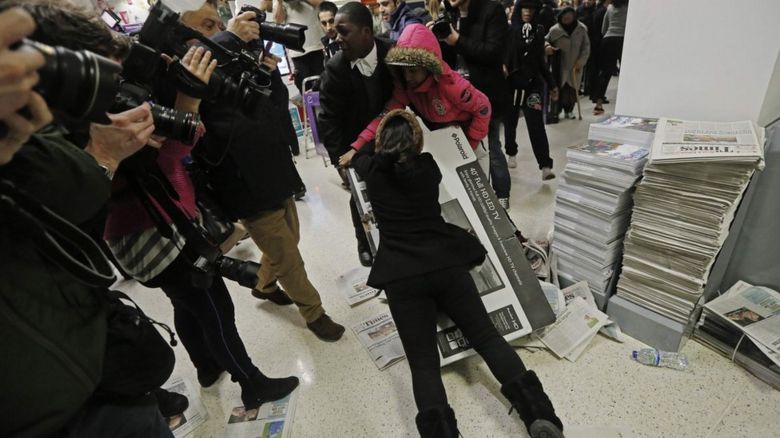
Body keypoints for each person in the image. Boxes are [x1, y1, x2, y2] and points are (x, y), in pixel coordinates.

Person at [0, 4, 176, 435]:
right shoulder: (36, 145)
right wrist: (102, 156)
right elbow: (75, 204)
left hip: (85, 362)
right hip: (50, 403)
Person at [352, 109, 564, 438]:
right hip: (445, 262)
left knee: (423, 364)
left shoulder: (372, 171)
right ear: (417, 144)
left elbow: (359, 156)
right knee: (488, 338)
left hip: (402, 274)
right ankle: (538, 413)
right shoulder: (428, 167)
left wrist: (375, 140)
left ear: (382, 145)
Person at [181, 0, 346, 342]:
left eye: (218, 24)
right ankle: (314, 313)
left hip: (274, 166)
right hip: (242, 179)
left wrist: (266, 74)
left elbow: (272, 108)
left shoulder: (233, 59)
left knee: (289, 238)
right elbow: (201, 121)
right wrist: (229, 38)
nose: (218, 31)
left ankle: (264, 284)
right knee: (288, 254)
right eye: (208, 27)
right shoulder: (185, 76)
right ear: (184, 35)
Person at [318, 1, 394, 267]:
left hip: (391, 137)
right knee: (360, 196)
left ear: (366, 32)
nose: (337, 38)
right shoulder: (335, 68)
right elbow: (328, 118)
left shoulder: (392, 52)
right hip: (356, 145)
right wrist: (339, 161)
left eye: (344, 31)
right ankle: (364, 242)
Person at [347, 24, 491, 154]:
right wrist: (358, 145)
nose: (407, 77)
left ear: (428, 68)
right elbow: (386, 115)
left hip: (470, 138)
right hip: (445, 137)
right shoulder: (406, 88)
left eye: (413, 70)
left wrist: (471, 143)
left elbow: (483, 107)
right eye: (404, 70)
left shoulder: (451, 85)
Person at [437, 0, 512, 209]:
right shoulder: (451, 15)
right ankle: (473, 200)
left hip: (485, 95)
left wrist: (457, 40)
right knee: (462, 148)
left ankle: (502, 197)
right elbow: (449, 58)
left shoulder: (492, 10)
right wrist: (438, 38)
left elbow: (493, 52)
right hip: (456, 96)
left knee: (491, 147)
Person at [505, 0, 558, 180]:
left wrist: (551, 83)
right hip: (512, 84)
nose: (528, 12)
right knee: (510, 121)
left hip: (532, 85)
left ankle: (545, 165)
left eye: (531, 8)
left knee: (536, 125)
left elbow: (540, 61)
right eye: (524, 8)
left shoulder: (539, 31)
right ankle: (511, 152)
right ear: (518, 10)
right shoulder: (509, 30)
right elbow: (504, 55)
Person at [273, 0, 326, 94]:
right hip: (297, 51)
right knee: (305, 87)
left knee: (323, 84)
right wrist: (279, 2)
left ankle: (325, 103)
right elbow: (277, 21)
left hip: (317, 47)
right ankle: (311, 104)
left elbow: (321, 3)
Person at [545, 7, 589, 120]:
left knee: (572, 90)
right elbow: (545, 40)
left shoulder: (581, 29)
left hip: (575, 65)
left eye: (570, 15)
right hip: (560, 66)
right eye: (564, 16)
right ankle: (556, 111)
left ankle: (569, 110)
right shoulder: (554, 30)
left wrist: (581, 62)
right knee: (560, 88)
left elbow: (586, 47)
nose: (567, 18)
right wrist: (547, 46)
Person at [592, 0, 626, 115]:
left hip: (608, 40)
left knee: (605, 73)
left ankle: (598, 104)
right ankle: (626, 103)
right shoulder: (629, 8)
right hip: (623, 40)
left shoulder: (610, 7)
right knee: (626, 73)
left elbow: (603, 29)